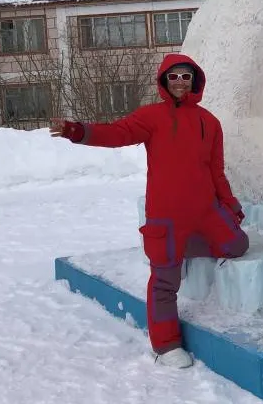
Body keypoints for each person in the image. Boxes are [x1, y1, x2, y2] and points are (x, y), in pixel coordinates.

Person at [51, 53, 249, 369]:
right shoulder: (151, 116)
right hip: (167, 215)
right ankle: (166, 345)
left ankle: (184, 250)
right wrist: (78, 131)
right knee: (164, 280)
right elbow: (117, 134)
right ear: (164, 81)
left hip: (205, 210)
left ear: (195, 80)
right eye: (174, 77)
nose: (180, 82)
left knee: (238, 245)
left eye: (186, 76)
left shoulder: (209, 122)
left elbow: (216, 170)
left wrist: (230, 206)